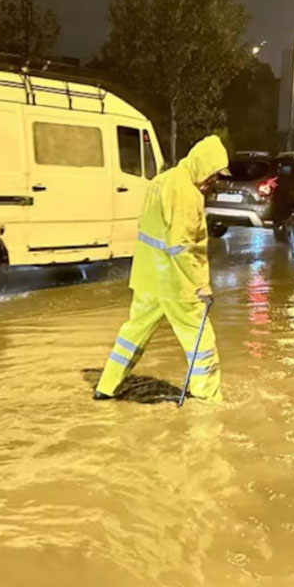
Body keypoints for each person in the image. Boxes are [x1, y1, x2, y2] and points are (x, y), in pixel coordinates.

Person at [94, 135, 230, 403]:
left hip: (147, 278)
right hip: (176, 284)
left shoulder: (161, 181)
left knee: (132, 334)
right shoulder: (187, 193)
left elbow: (147, 225)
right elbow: (180, 246)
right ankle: (208, 399)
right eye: (213, 175)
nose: (213, 182)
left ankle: (107, 386)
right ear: (202, 165)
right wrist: (200, 285)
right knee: (202, 343)